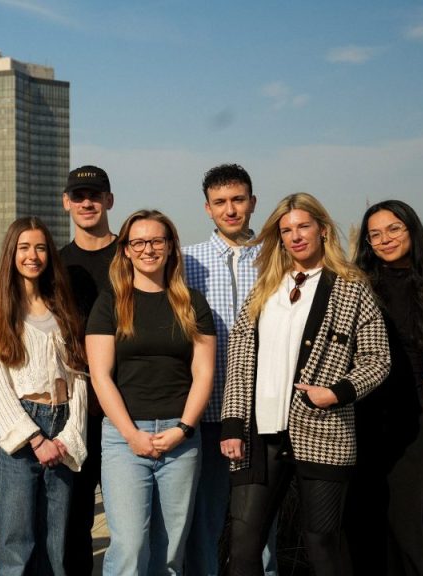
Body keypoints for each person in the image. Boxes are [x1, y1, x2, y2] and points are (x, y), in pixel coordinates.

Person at [220, 193, 391, 576]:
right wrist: (233, 424)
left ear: (322, 230)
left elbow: (377, 360)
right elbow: (240, 361)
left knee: (322, 543)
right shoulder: (265, 288)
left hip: (325, 431)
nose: (295, 236)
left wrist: (337, 393)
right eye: (286, 230)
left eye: (303, 226)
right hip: (260, 435)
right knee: (244, 544)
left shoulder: (351, 288)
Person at [86, 209, 217, 575]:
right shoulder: (110, 302)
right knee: (130, 546)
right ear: (125, 250)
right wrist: (131, 434)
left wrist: (183, 429)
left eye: (157, 240)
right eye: (138, 242)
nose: (148, 249)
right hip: (124, 440)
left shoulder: (192, 303)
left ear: (170, 246)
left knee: (171, 550)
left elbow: (203, 373)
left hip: (181, 437)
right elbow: (100, 375)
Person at [346, 200, 423, 575]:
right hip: (358, 419)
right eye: (375, 234)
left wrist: (420, 407)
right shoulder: (356, 288)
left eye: (393, 229)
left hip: (410, 422)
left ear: (412, 230)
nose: (384, 239)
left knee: (411, 522)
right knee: (363, 521)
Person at [0, 217, 88, 575]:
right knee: (16, 547)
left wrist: (69, 436)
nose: (33, 255)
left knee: (54, 546)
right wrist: (36, 438)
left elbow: (80, 378)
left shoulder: (64, 311)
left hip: (63, 427)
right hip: (20, 434)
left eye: (40, 247)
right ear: (12, 253)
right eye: (24, 247)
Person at [182, 164, 278, 576]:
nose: (231, 209)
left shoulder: (278, 258)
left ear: (253, 202)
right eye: (220, 202)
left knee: (263, 521)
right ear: (207, 208)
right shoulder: (187, 261)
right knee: (203, 518)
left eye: (238, 200)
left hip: (265, 412)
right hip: (207, 412)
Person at [58, 164, 116, 575]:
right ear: (66, 204)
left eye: (95, 195)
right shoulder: (55, 264)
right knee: (74, 522)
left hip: (127, 407)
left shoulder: (132, 254)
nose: (87, 203)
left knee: (130, 522)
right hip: (76, 411)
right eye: (78, 196)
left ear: (109, 200)